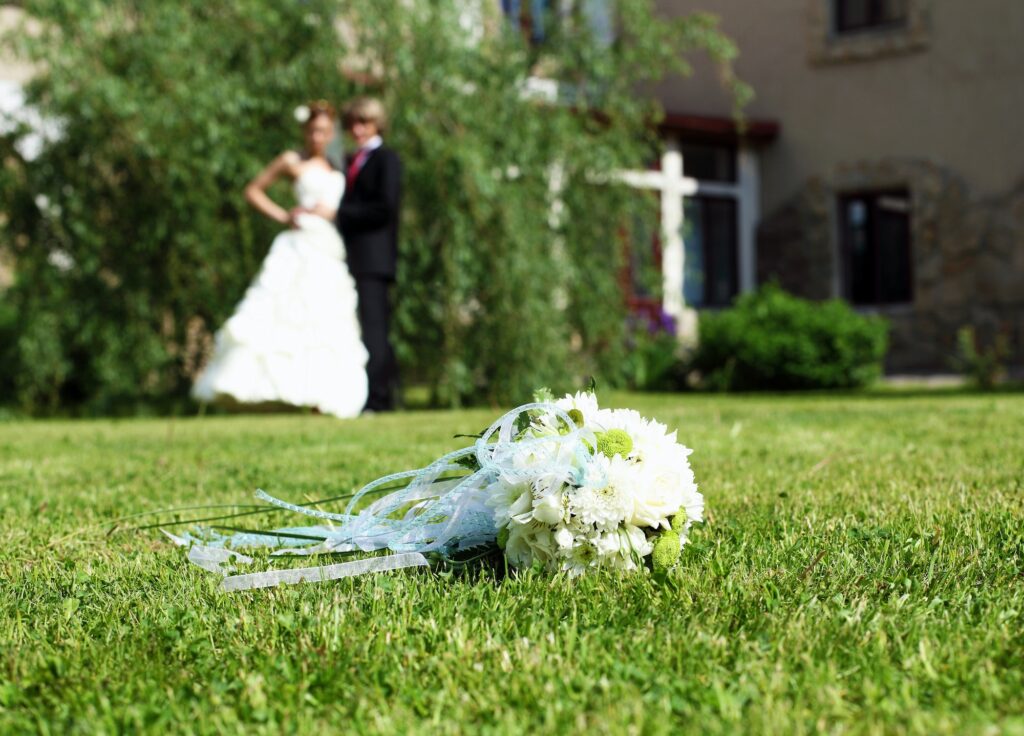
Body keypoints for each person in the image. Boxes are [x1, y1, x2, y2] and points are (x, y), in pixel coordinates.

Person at [191, 101, 369, 418]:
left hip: (328, 246)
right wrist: (284, 215)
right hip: (299, 244)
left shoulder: (338, 164)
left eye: (325, 131)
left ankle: (321, 395)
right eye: (313, 130)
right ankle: (271, 390)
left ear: (331, 134)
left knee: (325, 320)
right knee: (284, 315)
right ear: (305, 131)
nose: (318, 136)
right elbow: (254, 190)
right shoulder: (291, 160)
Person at [336, 97, 402, 413]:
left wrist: (339, 213)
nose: (357, 129)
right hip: (349, 256)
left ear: (376, 123)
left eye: (363, 122)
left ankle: (380, 399)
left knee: (375, 330)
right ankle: (363, 394)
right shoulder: (352, 160)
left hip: (373, 258)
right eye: (352, 124)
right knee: (361, 328)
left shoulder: (386, 159)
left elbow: (384, 208)